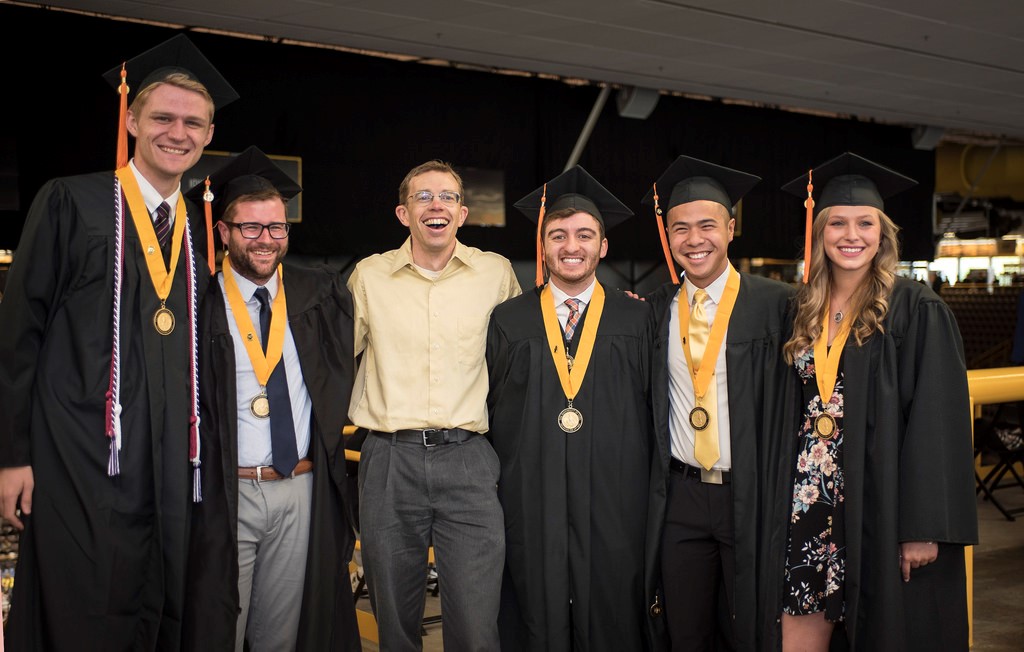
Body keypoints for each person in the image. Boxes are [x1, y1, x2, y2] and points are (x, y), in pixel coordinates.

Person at [0, 35, 237, 649]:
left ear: (209, 135)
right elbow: (17, 336)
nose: (176, 133)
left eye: (193, 123)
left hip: (167, 467)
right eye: (162, 117)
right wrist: (11, 455)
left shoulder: (195, 232)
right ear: (131, 118)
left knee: (158, 602)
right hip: (78, 457)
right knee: (84, 603)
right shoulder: (70, 203)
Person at [764, 152, 978, 651]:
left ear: (883, 233)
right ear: (818, 232)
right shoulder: (800, 309)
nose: (850, 234)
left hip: (878, 505)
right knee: (797, 631)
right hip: (808, 504)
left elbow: (936, 423)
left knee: (884, 631)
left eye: (865, 223)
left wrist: (923, 527)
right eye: (836, 222)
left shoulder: (915, 308)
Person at [180, 147, 361, 651]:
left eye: (276, 228)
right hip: (226, 495)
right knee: (218, 629)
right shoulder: (202, 303)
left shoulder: (317, 296)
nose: (266, 240)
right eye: (251, 228)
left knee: (281, 636)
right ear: (224, 231)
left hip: (299, 489)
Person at [486, 166, 662, 651]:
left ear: (602, 246)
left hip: (616, 495)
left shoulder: (638, 317)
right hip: (531, 493)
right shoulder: (509, 319)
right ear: (543, 247)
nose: (571, 246)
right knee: (533, 604)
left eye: (585, 235)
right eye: (558, 235)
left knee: (612, 607)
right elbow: (494, 408)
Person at [348, 159, 521, 651]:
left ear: (463, 213)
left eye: (446, 197)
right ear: (403, 213)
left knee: (475, 623)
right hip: (388, 460)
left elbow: (527, 351)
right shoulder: (370, 275)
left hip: (468, 459)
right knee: (394, 623)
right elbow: (333, 357)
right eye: (423, 197)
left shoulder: (494, 273)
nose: (435, 205)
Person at [641, 155, 795, 651]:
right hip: (681, 495)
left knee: (751, 624)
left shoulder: (779, 305)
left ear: (731, 228)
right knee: (686, 629)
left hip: (750, 494)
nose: (694, 239)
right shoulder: (653, 308)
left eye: (707, 225)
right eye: (679, 228)